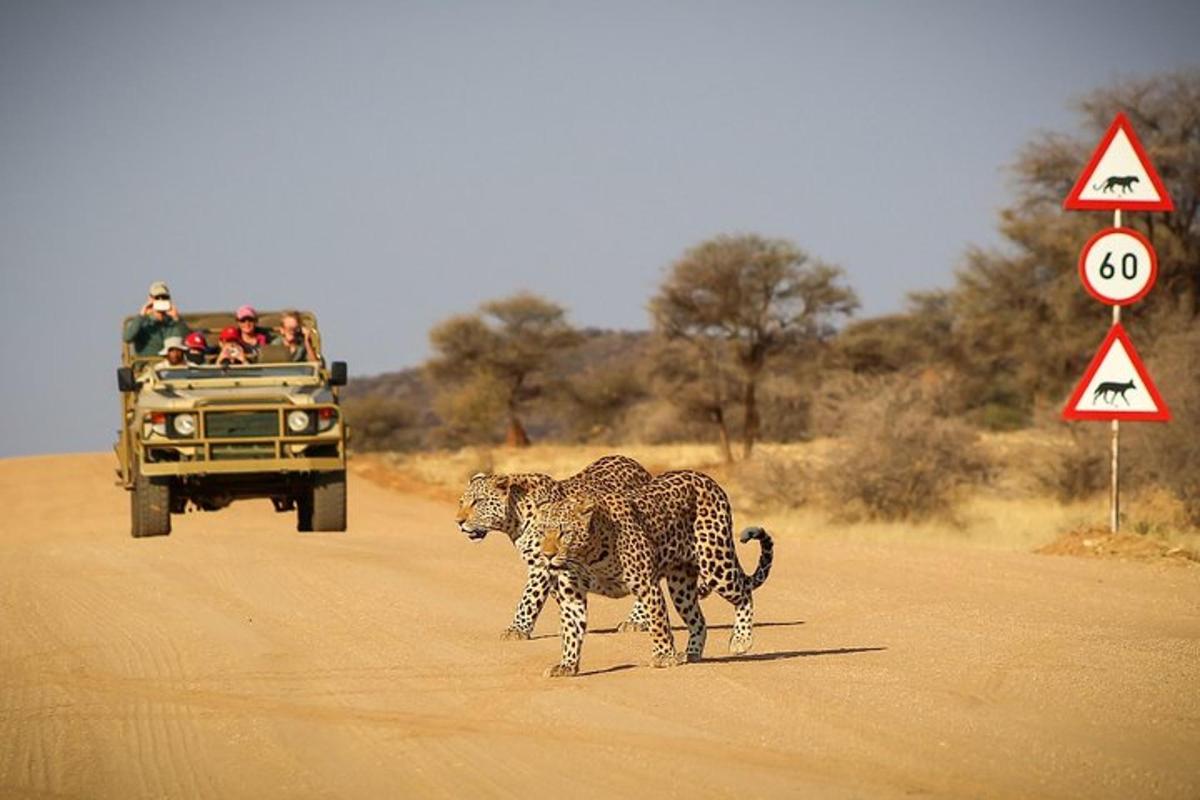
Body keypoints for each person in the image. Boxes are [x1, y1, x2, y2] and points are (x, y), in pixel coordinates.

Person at [123, 281, 189, 356]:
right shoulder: (142, 322)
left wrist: (177, 319)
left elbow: (188, 340)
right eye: (157, 298)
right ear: (150, 299)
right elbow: (127, 338)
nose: (160, 300)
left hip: (170, 365)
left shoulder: (174, 323)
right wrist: (141, 315)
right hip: (147, 364)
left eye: (164, 297)